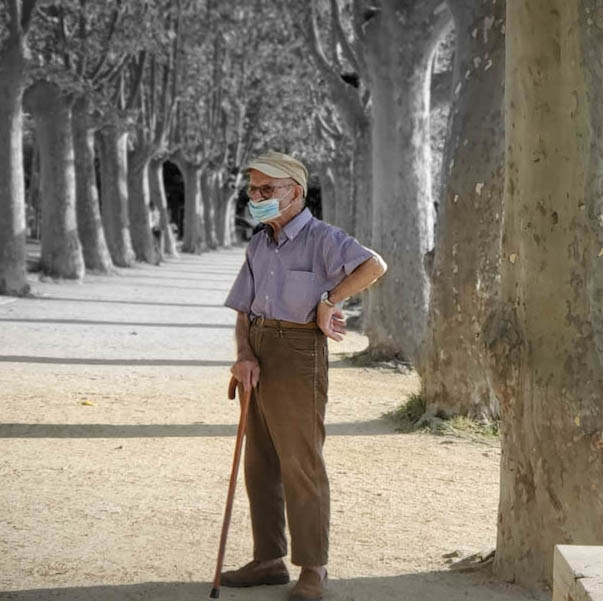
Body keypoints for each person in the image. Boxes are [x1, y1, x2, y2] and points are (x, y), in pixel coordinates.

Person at [223, 150, 387, 601]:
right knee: (260, 463)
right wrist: (243, 354)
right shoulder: (258, 243)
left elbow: (374, 265)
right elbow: (243, 307)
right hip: (258, 348)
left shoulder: (323, 238)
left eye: (265, 189)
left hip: (299, 352)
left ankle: (314, 568)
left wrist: (329, 299)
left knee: (301, 464)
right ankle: (269, 560)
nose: (256, 196)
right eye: (253, 189)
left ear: (294, 191)